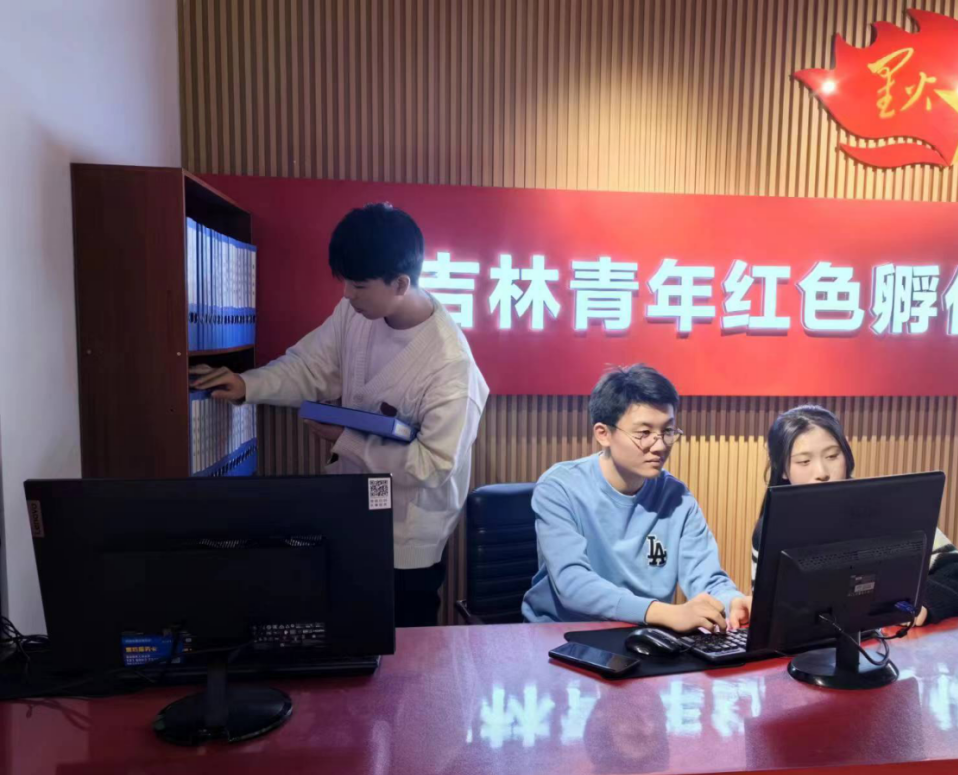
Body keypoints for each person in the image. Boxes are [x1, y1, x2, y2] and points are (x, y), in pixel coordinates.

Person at [191, 203, 489, 627]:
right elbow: (310, 367)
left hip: (408, 539)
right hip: (350, 511)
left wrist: (345, 440)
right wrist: (247, 385)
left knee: (403, 649)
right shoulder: (355, 313)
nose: (347, 294)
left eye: (359, 285)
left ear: (401, 283)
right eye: (345, 281)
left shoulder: (451, 367)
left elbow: (434, 465)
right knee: (346, 636)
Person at [522, 364, 751, 632]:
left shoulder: (676, 497)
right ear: (603, 434)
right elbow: (573, 584)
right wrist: (664, 612)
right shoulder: (560, 487)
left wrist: (731, 601)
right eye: (644, 433)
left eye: (668, 431)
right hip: (561, 635)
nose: (660, 445)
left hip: (643, 637)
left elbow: (707, 578)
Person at [753, 404, 958, 626]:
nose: (822, 472)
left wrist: (923, 602)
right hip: (809, 649)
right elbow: (770, 611)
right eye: (804, 461)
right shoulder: (772, 527)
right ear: (783, 469)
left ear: (847, 455)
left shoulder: (888, 509)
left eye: (832, 456)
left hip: (891, 643)